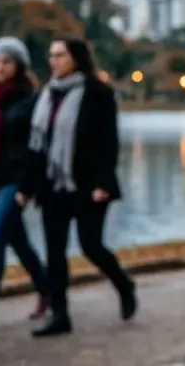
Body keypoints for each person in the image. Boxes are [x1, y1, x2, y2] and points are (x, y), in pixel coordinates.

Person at [18, 37, 136, 337]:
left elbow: (109, 143)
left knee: (91, 246)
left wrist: (103, 184)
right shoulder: (46, 95)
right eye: (51, 55)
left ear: (76, 58)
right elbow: (37, 147)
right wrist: (26, 188)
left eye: (59, 55)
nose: (53, 61)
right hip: (53, 187)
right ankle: (60, 316)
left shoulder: (98, 93)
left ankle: (124, 284)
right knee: (54, 253)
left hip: (88, 186)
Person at [0, 37, 50, 319]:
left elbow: (37, 146)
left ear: (19, 66)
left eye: (6, 61)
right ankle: (47, 289)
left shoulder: (31, 100)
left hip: (16, 179)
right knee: (17, 239)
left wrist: (28, 186)